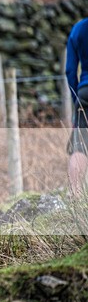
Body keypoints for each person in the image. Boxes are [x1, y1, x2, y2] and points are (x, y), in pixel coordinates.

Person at [66, 17, 88, 197]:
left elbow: (70, 70)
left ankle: (75, 195)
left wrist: (76, 98)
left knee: (80, 147)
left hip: (85, 92)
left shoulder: (79, 28)